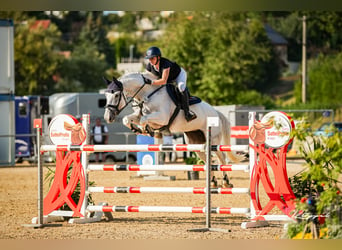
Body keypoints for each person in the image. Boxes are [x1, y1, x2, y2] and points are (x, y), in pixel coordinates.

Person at [143, 46, 197, 122]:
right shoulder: (149, 66)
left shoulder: (165, 64)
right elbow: (147, 76)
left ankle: (187, 113)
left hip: (178, 75)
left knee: (181, 87)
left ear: (158, 57)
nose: (150, 61)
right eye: (149, 59)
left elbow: (163, 81)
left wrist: (151, 82)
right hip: (169, 79)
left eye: (152, 58)